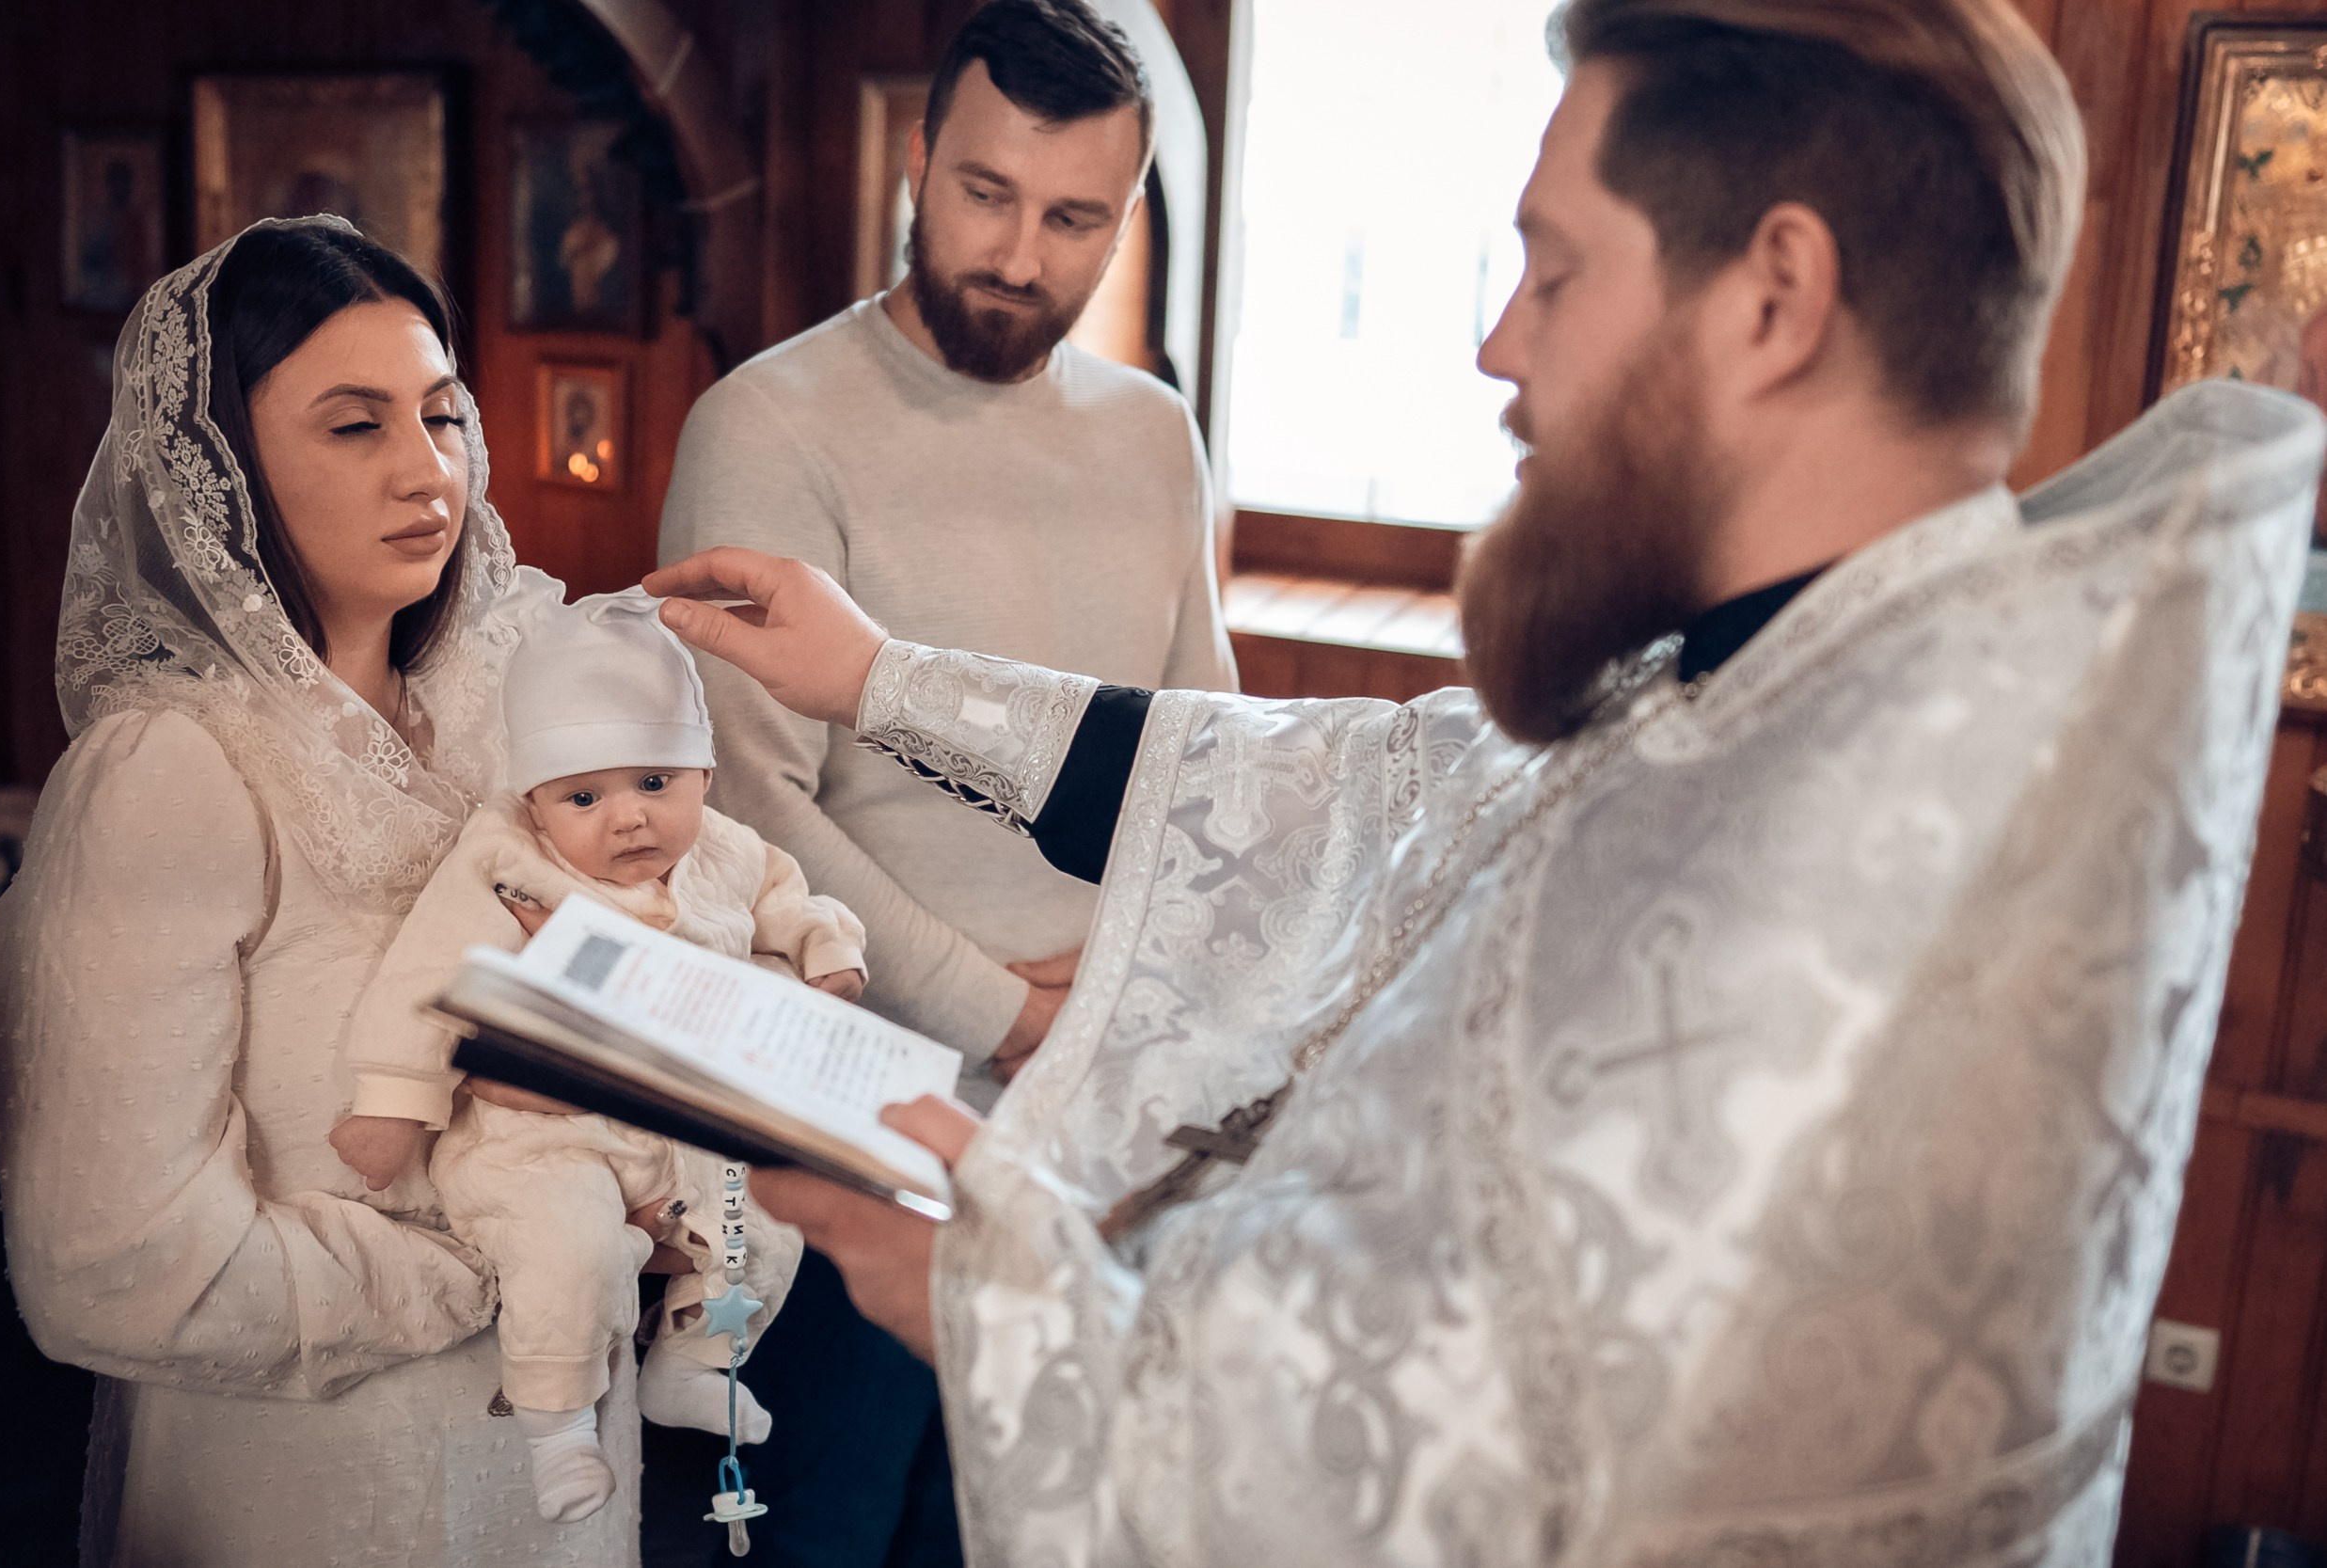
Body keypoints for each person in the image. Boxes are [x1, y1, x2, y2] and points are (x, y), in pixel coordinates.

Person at [645, 0, 2327, 1560]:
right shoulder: (1821, 687)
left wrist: (1003, 1304)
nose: (1496, 345)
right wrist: (887, 677)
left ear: (1774, 298)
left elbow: (1426, 1466)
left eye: (1555, 268)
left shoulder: (1842, 881)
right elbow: (1375, 785)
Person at [650, 2, 1231, 1560]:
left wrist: (1103, 1029)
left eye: (1072, 217)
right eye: (984, 193)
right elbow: (752, 814)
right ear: (916, 159)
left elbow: (1203, 762)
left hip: (1087, 1135)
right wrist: (1017, 1011)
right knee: (814, 1533)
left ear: (1123, 218)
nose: (1019, 255)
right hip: (846, 1121)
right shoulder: (768, 424)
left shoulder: (1157, 438)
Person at [0, 216, 650, 1565]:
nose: (428, 471)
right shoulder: (170, 774)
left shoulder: (516, 717)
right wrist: (494, 1268)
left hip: (562, 1472)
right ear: (218, 469)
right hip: (315, 1495)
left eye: (443, 415)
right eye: (354, 426)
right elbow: (115, 1264)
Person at [328, 569, 866, 1523]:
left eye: (657, 782)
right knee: (565, 1244)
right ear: (535, 802)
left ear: (704, 774)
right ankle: (558, 1425)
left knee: (765, 1214)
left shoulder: (731, 852)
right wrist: (392, 1097)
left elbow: (793, 904)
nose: (628, 815)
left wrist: (827, 954)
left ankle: (695, 1359)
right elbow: (425, 978)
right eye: (584, 795)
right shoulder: (503, 857)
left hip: (685, 1126)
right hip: (546, 1136)